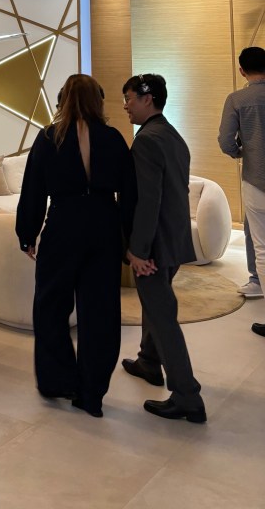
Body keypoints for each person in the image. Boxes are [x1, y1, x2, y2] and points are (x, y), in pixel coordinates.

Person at [15, 74, 136, 417]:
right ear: (98, 100)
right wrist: (130, 241)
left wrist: (27, 234)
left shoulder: (48, 137)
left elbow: (33, 190)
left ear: (63, 99)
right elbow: (130, 195)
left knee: (50, 307)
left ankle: (59, 380)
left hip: (63, 226)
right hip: (104, 226)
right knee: (101, 312)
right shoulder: (113, 138)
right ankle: (91, 393)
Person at [121, 73, 206, 423]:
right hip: (173, 239)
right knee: (155, 306)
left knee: (162, 316)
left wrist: (138, 250)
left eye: (129, 98)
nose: (125, 106)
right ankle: (148, 361)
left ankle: (187, 396)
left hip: (154, 244)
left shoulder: (146, 141)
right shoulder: (172, 135)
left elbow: (148, 200)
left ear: (147, 99)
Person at [218, 46, 265, 331]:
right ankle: (256, 281)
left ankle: (257, 280)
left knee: (261, 244)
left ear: (241, 70)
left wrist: (240, 152)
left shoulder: (237, 99)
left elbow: (226, 141)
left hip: (256, 178)